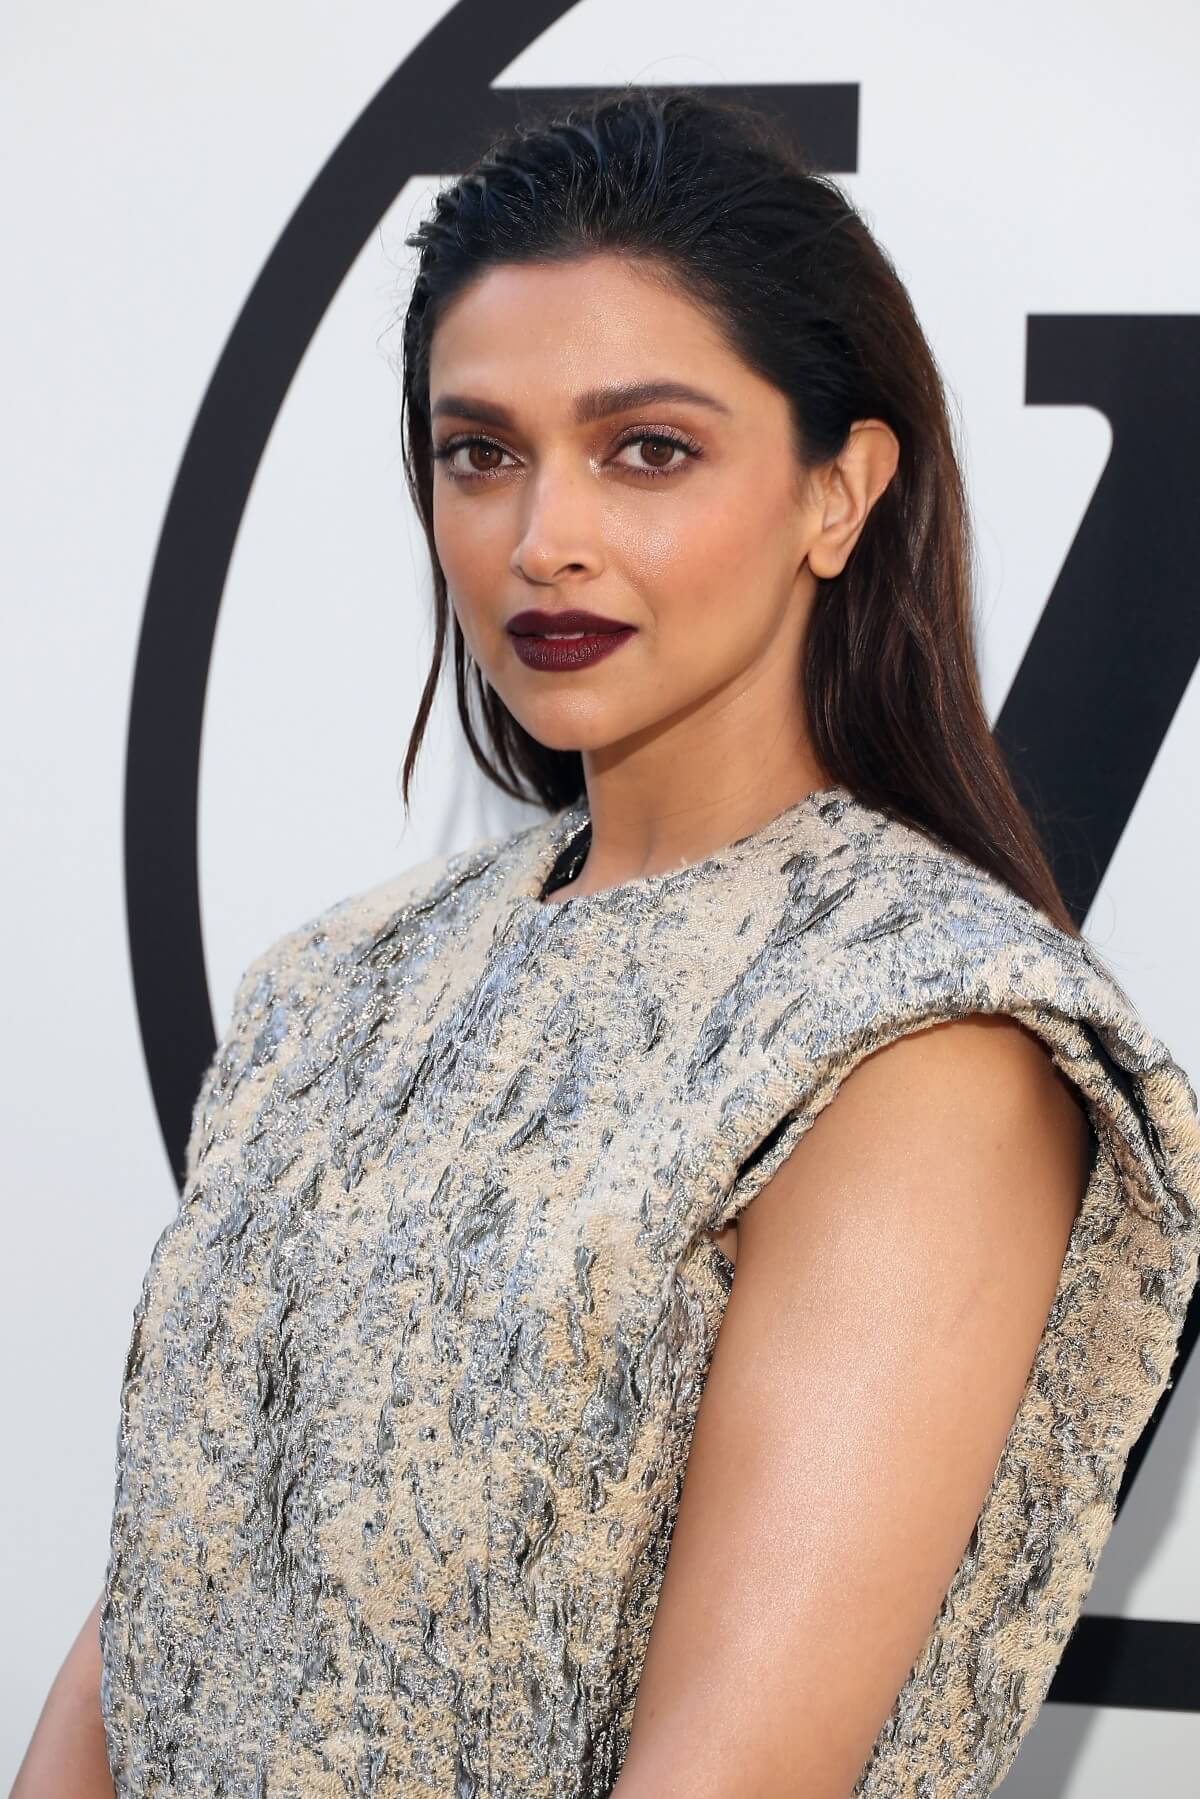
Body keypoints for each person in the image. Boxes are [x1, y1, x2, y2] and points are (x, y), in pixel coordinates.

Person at [20, 84, 1200, 1799]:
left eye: (648, 448)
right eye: (479, 450)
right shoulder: (331, 984)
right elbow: (160, 1601)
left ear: (838, 494)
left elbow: (733, 1778)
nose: (540, 534)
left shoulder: (924, 1041)